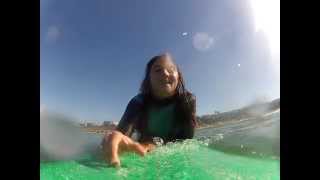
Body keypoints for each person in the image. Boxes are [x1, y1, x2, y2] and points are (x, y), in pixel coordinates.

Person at [101, 53, 197, 167]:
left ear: (179, 76)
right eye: (158, 70)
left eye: (171, 70)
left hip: (159, 147)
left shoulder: (187, 100)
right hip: (143, 145)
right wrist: (113, 140)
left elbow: (185, 142)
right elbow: (121, 135)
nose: (165, 73)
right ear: (148, 79)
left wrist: (153, 145)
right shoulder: (138, 102)